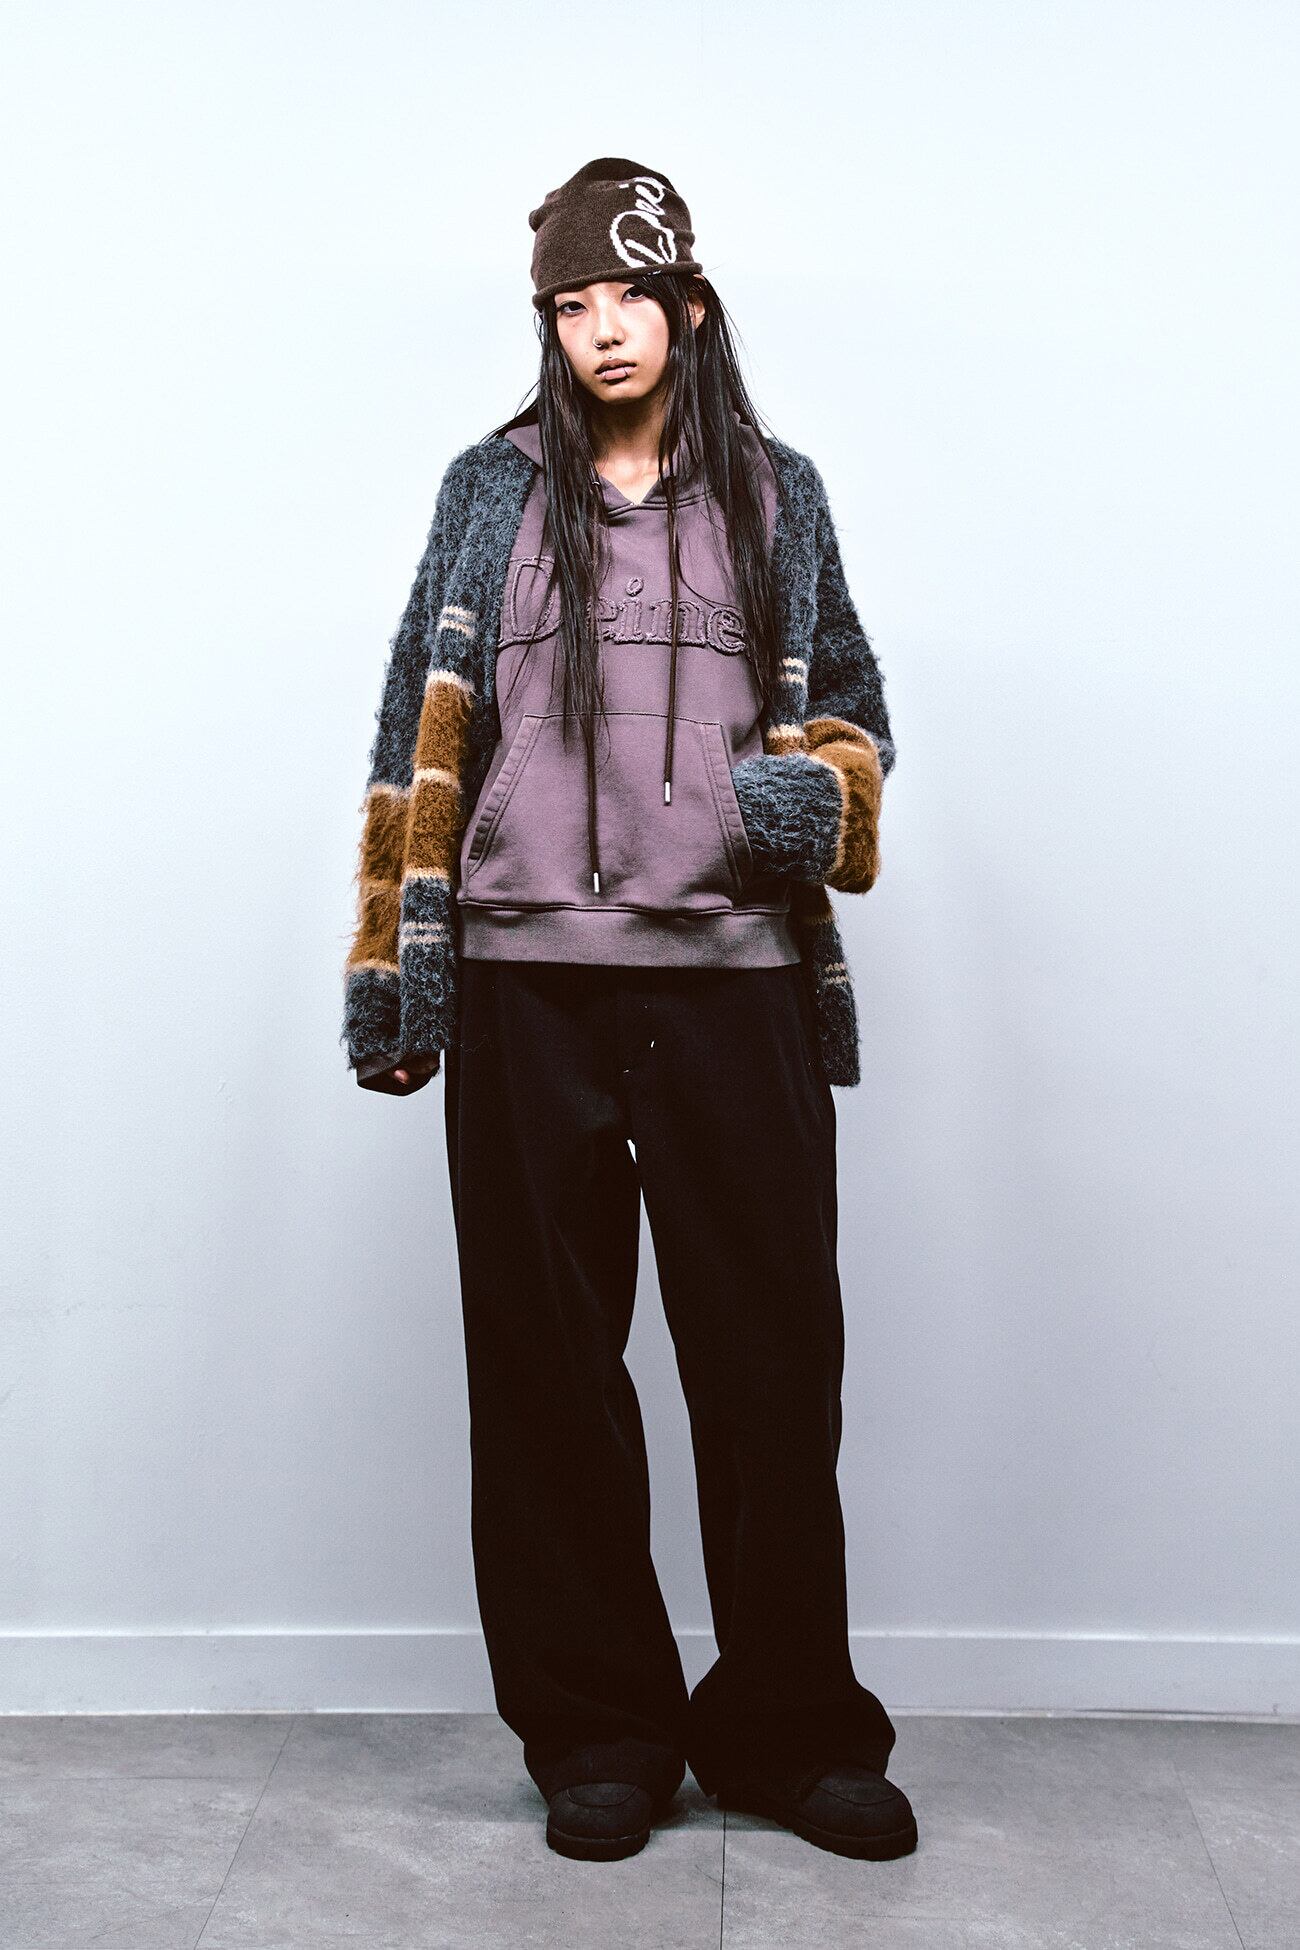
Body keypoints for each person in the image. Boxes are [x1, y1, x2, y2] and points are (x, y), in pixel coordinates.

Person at [340, 157, 917, 1865]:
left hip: (733, 986)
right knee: (545, 1373)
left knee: (771, 1370)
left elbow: (857, 706)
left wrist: (824, 795)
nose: (602, 330)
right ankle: (598, 1729)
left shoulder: (777, 496)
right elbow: (414, 724)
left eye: (629, 298)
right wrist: (390, 967)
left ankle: (790, 1730)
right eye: (571, 304)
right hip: (524, 983)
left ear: (690, 308)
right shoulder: (488, 490)